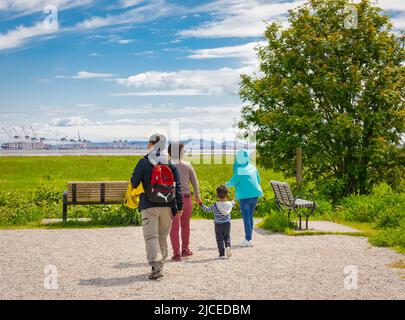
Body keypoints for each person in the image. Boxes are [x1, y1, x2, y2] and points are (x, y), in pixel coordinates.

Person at [130, 134, 183, 280]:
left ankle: (156, 266)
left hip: (149, 205)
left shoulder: (144, 162)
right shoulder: (170, 163)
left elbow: (134, 182)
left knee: (151, 237)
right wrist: (179, 207)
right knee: (162, 237)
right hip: (167, 205)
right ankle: (161, 263)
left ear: (151, 144)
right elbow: (177, 186)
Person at [168, 142, 201, 261]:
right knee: (185, 225)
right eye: (183, 150)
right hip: (187, 199)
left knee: (174, 227)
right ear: (180, 152)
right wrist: (197, 196)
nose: (184, 152)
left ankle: (176, 253)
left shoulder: (167, 165)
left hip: (172, 199)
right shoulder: (188, 165)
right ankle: (185, 249)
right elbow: (195, 183)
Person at [226, 149, 262, 247]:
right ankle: (249, 237)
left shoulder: (240, 170)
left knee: (246, 218)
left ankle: (248, 239)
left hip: (245, 197)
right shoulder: (253, 168)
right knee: (250, 216)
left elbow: (233, 182)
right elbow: (259, 180)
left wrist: (224, 185)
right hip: (255, 195)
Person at [198, 185, 234, 259]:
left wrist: (201, 204)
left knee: (219, 239)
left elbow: (207, 210)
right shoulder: (230, 204)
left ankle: (222, 254)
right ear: (227, 195)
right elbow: (233, 202)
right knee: (227, 236)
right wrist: (233, 200)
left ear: (217, 195)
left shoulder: (216, 205)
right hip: (227, 224)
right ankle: (228, 246)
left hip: (218, 225)